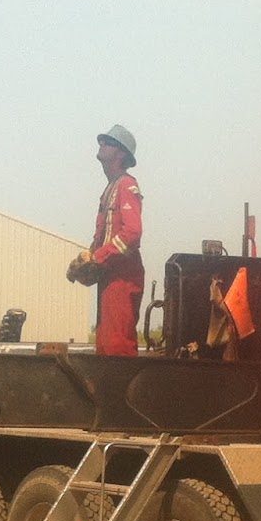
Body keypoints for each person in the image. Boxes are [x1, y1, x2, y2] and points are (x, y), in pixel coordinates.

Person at [67, 124, 144, 356]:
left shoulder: (126, 185)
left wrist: (98, 257)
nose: (101, 144)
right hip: (111, 275)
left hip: (122, 275)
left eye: (108, 142)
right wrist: (88, 258)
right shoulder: (111, 187)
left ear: (121, 153)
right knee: (105, 345)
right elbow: (104, 234)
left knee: (116, 348)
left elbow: (132, 233)